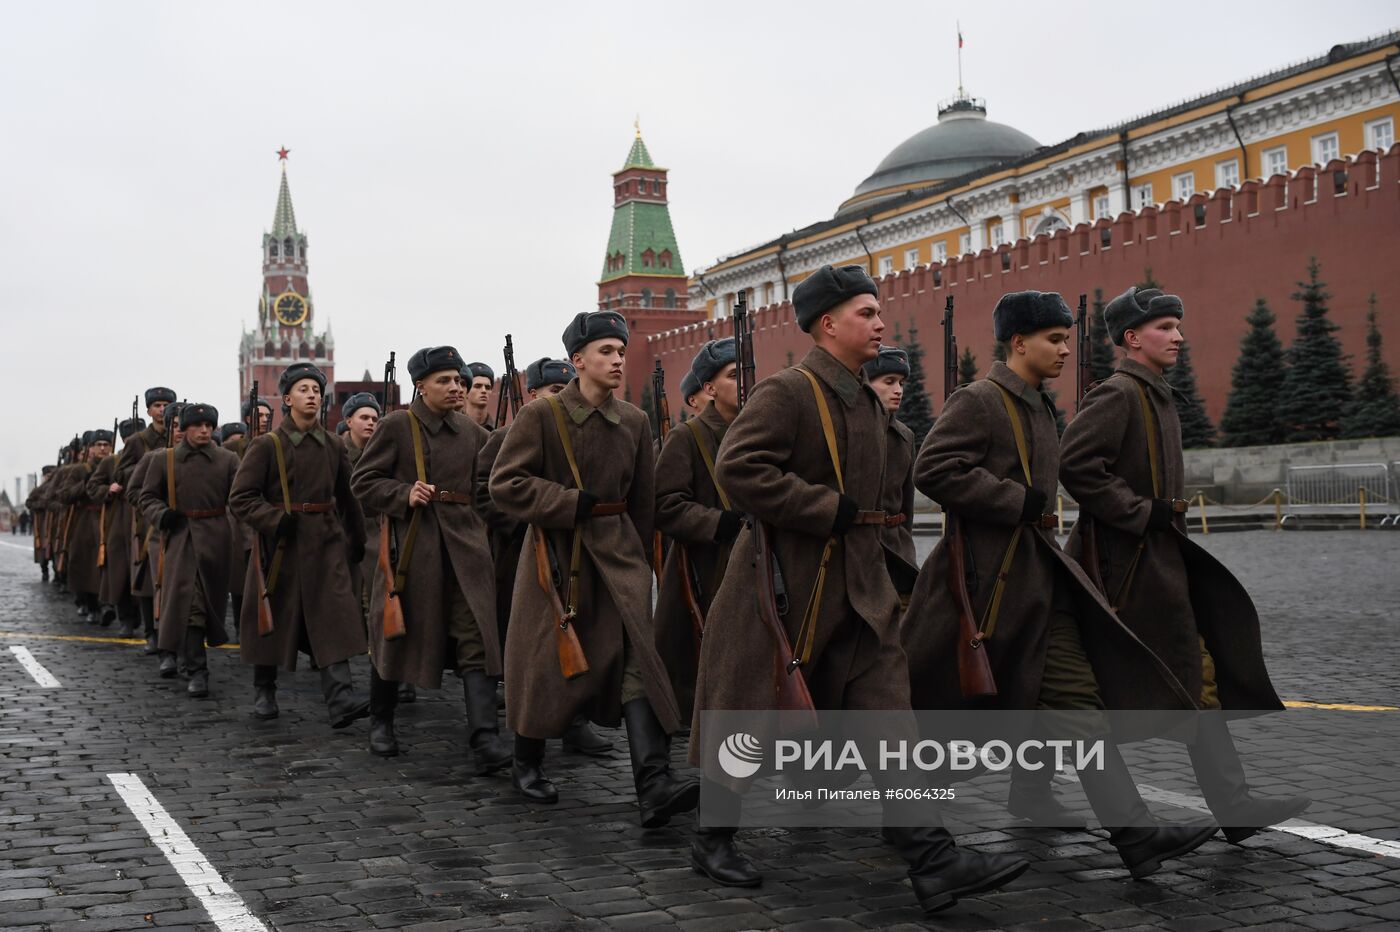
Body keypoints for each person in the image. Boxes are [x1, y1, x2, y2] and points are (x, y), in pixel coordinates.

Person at [689, 265, 1028, 913]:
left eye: (878, 312)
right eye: (867, 313)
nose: (881, 323)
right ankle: (711, 837)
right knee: (749, 713)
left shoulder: (868, 401)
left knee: (888, 717)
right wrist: (820, 508)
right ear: (828, 324)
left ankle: (932, 859)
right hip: (784, 589)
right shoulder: (789, 391)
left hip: (860, 590)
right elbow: (738, 468)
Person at [900, 289, 1216, 880]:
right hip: (989, 585)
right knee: (939, 715)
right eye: (1054, 339)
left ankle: (1134, 834)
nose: (1066, 350)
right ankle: (902, 822)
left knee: (1076, 706)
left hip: (1038, 579)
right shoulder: (982, 399)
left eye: (1068, 338)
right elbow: (934, 468)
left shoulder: (1035, 405)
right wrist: (1014, 500)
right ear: (1019, 342)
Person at [1058, 285, 1310, 842]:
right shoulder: (1121, 394)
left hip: (1159, 559)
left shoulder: (1156, 394)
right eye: (1165, 328)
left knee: (1195, 677)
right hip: (1129, 566)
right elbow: (1076, 465)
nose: (1178, 336)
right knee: (1143, 682)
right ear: (1132, 338)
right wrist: (1138, 512)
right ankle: (1227, 806)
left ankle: (1234, 805)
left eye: (1178, 325)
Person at [490, 311, 698, 823]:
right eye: (605, 351)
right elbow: (506, 484)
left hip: (619, 561)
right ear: (577, 360)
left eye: (620, 351)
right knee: (545, 664)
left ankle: (653, 785)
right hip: (557, 562)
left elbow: (644, 502)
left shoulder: (634, 420)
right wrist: (565, 503)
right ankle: (527, 761)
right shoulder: (541, 417)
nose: (617, 360)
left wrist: (640, 558)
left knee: (638, 665)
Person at [352, 348, 506, 761]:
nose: (456, 387)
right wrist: (402, 493)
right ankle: (381, 722)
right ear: (421, 385)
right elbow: (363, 482)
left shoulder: (472, 432)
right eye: (446, 381)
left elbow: (493, 482)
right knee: (396, 636)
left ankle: (485, 738)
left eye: (459, 380)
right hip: (413, 550)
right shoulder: (397, 426)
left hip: (467, 550)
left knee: (477, 636)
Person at [476, 356, 611, 756]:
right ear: (533, 394)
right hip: (521, 551)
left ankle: (575, 723)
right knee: (535, 649)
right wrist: (524, 522)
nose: (566, 397)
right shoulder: (505, 437)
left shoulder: (584, 431)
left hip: (571, 548)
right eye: (555, 391)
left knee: (576, 634)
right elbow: (487, 492)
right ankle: (527, 740)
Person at [228, 362, 370, 729]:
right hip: (282, 548)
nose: (312, 396)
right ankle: (265, 690)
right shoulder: (266, 446)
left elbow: (349, 496)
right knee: (272, 617)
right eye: (304, 390)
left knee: (333, 616)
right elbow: (241, 498)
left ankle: (341, 701)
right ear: (287, 398)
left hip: (325, 543)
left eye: (316, 391)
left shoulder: (333, 445)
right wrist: (274, 521)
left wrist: (356, 541)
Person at [653, 339, 743, 722]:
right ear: (708, 388)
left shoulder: (760, 431)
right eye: (735, 376)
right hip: (704, 565)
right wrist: (716, 523)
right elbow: (664, 505)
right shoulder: (687, 438)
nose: (746, 384)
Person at [139, 403, 239, 697]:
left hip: (217, 539)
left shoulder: (228, 460)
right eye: (197, 425)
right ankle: (197, 670)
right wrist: (162, 514)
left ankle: (186, 658)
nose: (204, 430)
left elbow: (242, 496)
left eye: (209, 425)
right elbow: (145, 497)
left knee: (209, 606)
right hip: (181, 539)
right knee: (190, 602)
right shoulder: (164, 460)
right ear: (183, 428)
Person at [117, 387, 176, 652]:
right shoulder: (137, 441)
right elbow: (121, 475)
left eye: (167, 405)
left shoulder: (181, 435)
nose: (162, 410)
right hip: (146, 515)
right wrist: (147, 470)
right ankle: (151, 632)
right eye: (158, 405)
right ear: (149, 410)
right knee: (147, 576)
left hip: (177, 513)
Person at [863, 346, 918, 607]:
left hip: (898, 554)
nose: (898, 390)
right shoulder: (854, 433)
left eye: (901, 382)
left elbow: (906, 503)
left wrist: (902, 541)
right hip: (861, 553)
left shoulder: (905, 436)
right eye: (888, 381)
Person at [89, 417, 146, 635]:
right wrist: (108, 489)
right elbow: (93, 487)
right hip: (120, 518)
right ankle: (127, 619)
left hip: (146, 515)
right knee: (120, 571)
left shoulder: (156, 455)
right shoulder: (111, 462)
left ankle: (148, 620)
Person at [67, 429, 114, 622]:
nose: (102, 449)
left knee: (112, 564)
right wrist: (83, 485)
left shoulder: (115, 465)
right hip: (86, 519)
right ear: (91, 448)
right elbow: (65, 495)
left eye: (106, 445)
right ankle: (92, 604)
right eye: (98, 445)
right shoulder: (79, 470)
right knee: (86, 565)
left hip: (111, 517)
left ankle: (109, 604)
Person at [462, 361, 495, 428]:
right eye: (477, 386)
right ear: (465, 390)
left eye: (487, 387)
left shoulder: (498, 429)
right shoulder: (456, 426)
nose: (484, 390)